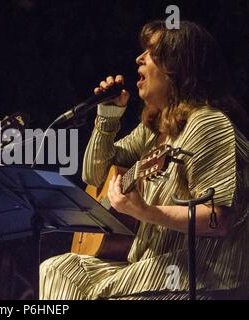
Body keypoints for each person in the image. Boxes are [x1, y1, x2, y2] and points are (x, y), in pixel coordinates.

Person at [40, 20, 249, 300]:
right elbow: (94, 175)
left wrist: (146, 211)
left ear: (178, 64)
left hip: (197, 275)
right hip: (145, 267)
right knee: (58, 269)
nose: (139, 58)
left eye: (151, 52)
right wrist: (107, 116)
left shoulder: (208, 123)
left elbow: (218, 219)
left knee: (94, 294)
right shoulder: (155, 129)